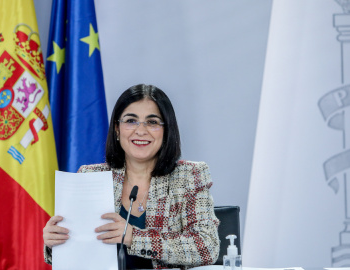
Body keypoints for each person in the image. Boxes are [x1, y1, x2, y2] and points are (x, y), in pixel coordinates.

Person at [43, 84, 219, 269]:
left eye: (152, 122)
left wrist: (133, 237)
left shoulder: (189, 176)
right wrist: (55, 243)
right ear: (117, 129)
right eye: (131, 121)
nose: (141, 131)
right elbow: (76, 255)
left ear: (166, 131)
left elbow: (207, 247)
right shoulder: (89, 176)